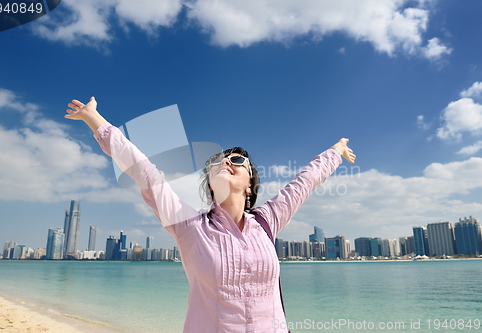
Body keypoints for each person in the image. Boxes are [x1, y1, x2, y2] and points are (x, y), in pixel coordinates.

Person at [65, 97, 356, 333]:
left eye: (237, 160)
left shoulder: (268, 221)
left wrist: (336, 151)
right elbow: (144, 172)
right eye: (219, 161)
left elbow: (304, 182)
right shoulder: (189, 225)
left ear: (251, 183)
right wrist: (95, 119)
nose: (227, 162)